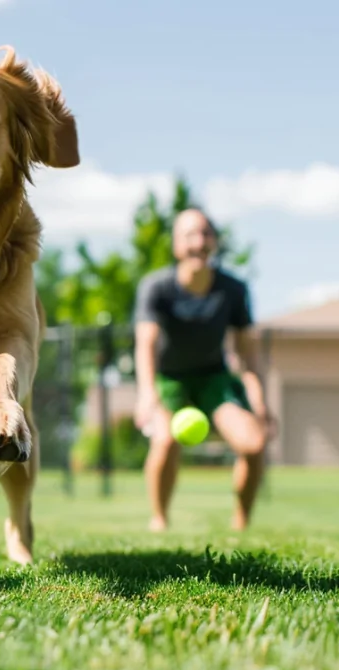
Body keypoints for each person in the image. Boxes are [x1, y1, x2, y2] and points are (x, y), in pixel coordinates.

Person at [132, 208, 272, 532]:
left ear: (215, 241)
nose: (199, 241)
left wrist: (260, 400)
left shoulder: (234, 290)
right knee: (165, 442)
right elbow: (146, 344)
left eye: (206, 233)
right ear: (176, 245)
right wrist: (147, 394)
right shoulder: (156, 288)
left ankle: (241, 523)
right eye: (189, 235)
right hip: (169, 379)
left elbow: (248, 354)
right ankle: (160, 519)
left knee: (254, 445)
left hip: (214, 378)